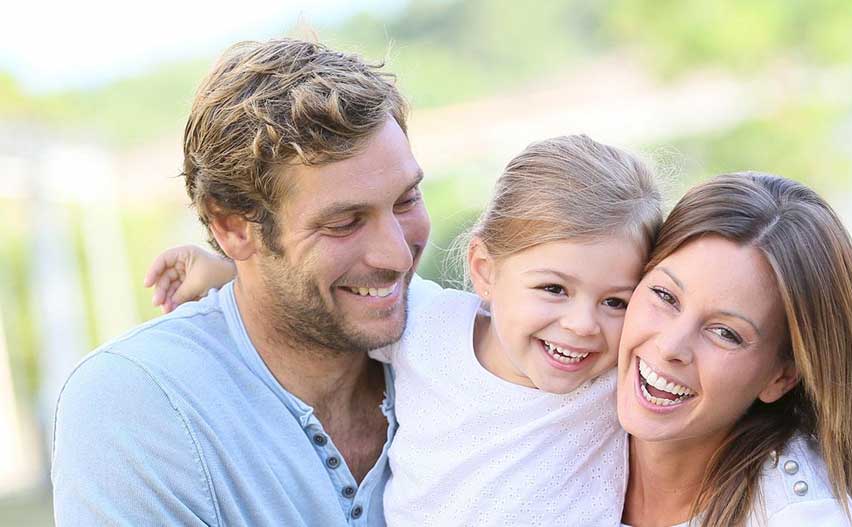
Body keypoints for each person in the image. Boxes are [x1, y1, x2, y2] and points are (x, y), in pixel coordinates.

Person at [147, 134, 664, 525]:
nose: (582, 325)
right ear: (484, 270)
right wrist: (225, 270)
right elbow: (324, 294)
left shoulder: (620, 381)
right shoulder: (430, 328)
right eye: (553, 289)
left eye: (616, 301)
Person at [51, 38, 436, 525]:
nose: (398, 255)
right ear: (233, 226)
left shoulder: (466, 346)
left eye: (406, 200)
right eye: (344, 222)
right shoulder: (140, 402)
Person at [617, 173, 852, 527]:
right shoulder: (583, 395)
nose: (670, 346)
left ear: (781, 377)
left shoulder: (803, 515)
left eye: (726, 333)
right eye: (665, 296)